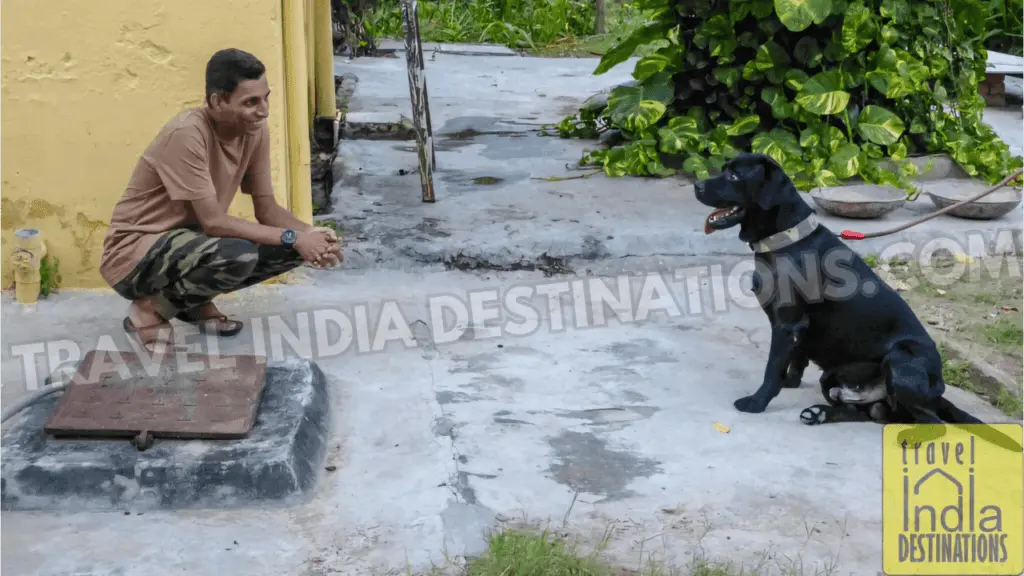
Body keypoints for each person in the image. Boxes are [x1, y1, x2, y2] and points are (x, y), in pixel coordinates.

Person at [98, 48, 342, 352]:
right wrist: (295, 236)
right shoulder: (187, 133)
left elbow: (267, 210)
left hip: (190, 244)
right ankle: (149, 310)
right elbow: (213, 222)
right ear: (217, 101)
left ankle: (191, 303)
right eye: (251, 102)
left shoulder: (254, 130)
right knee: (238, 253)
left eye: (266, 97)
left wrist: (314, 237)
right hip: (134, 256)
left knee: (291, 249)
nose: (264, 110)